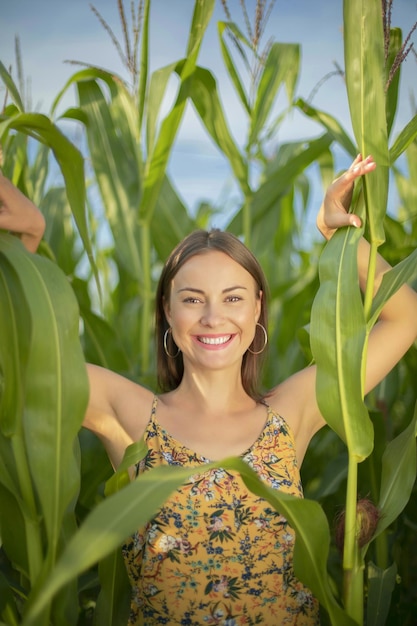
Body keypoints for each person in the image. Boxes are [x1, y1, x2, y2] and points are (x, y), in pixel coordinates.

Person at [1, 154, 417, 625]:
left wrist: (340, 238)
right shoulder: (131, 415)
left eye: (233, 298)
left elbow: (404, 318)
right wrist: (28, 236)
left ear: (258, 308)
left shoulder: (292, 413)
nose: (213, 317)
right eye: (193, 299)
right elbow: (18, 357)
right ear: (168, 311)